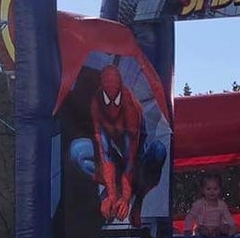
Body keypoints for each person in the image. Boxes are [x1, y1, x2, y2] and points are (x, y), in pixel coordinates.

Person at [69, 62, 167, 226]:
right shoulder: (97, 102)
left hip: (136, 158)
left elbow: (131, 156)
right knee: (77, 151)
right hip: (116, 159)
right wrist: (113, 194)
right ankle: (112, 191)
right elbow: (103, 150)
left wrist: (126, 198)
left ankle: (138, 198)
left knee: (158, 150)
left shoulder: (130, 107)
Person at [183, 171, 238, 238]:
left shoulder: (222, 204)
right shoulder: (199, 204)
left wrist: (233, 227)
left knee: (226, 227)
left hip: (217, 228)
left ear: (220, 190)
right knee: (201, 229)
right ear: (203, 190)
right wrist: (187, 230)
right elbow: (190, 217)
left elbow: (228, 217)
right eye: (208, 189)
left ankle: (217, 234)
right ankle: (209, 235)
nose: (212, 192)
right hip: (203, 228)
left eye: (215, 189)